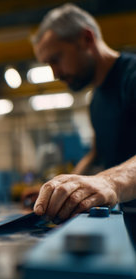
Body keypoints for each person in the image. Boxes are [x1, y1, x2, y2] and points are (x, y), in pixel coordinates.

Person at [30, 3, 136, 220]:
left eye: (56, 59)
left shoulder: (131, 77)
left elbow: (109, 179)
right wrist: (62, 188)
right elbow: (97, 153)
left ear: (87, 39)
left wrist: (109, 182)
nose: (55, 73)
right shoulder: (97, 99)